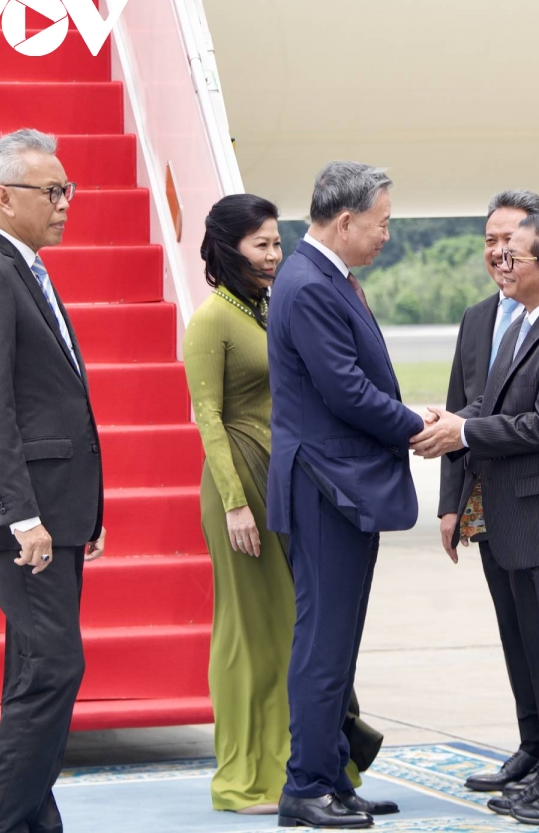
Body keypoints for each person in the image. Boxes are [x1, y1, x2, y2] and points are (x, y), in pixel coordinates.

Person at [414, 215, 539, 826]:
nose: (501, 262)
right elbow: (496, 402)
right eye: (498, 252)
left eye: (515, 256)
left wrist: (465, 432)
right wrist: (451, 422)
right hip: (527, 521)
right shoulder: (528, 321)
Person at [184, 194, 384, 813]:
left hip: (283, 483)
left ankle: (300, 766)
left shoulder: (271, 307)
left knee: (296, 630)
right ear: (229, 248)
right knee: (251, 632)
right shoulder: (212, 320)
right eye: (260, 244)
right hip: (239, 488)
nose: (274, 255)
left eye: (276, 242)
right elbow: (207, 417)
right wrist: (234, 504)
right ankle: (243, 777)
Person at [0, 128, 106, 833]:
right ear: (5, 198)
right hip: (23, 521)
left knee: (34, 675)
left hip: (57, 512)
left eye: (68, 189)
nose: (65, 203)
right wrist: (24, 517)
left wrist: (83, 510)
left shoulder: (27, 268)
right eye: (52, 191)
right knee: (54, 670)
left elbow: (56, 398)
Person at [268, 161, 425, 829]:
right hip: (325, 486)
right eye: (381, 223)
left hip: (339, 485)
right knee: (323, 645)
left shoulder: (322, 277)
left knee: (338, 643)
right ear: (345, 220)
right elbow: (347, 391)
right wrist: (417, 425)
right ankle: (306, 786)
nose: (386, 234)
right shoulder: (309, 284)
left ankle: (331, 775)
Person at [438, 190, 539, 793]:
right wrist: (449, 505)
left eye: (511, 240)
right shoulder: (477, 317)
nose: (499, 251)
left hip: (537, 501)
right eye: (490, 240)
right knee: (512, 630)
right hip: (484, 500)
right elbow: (458, 408)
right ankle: (531, 743)